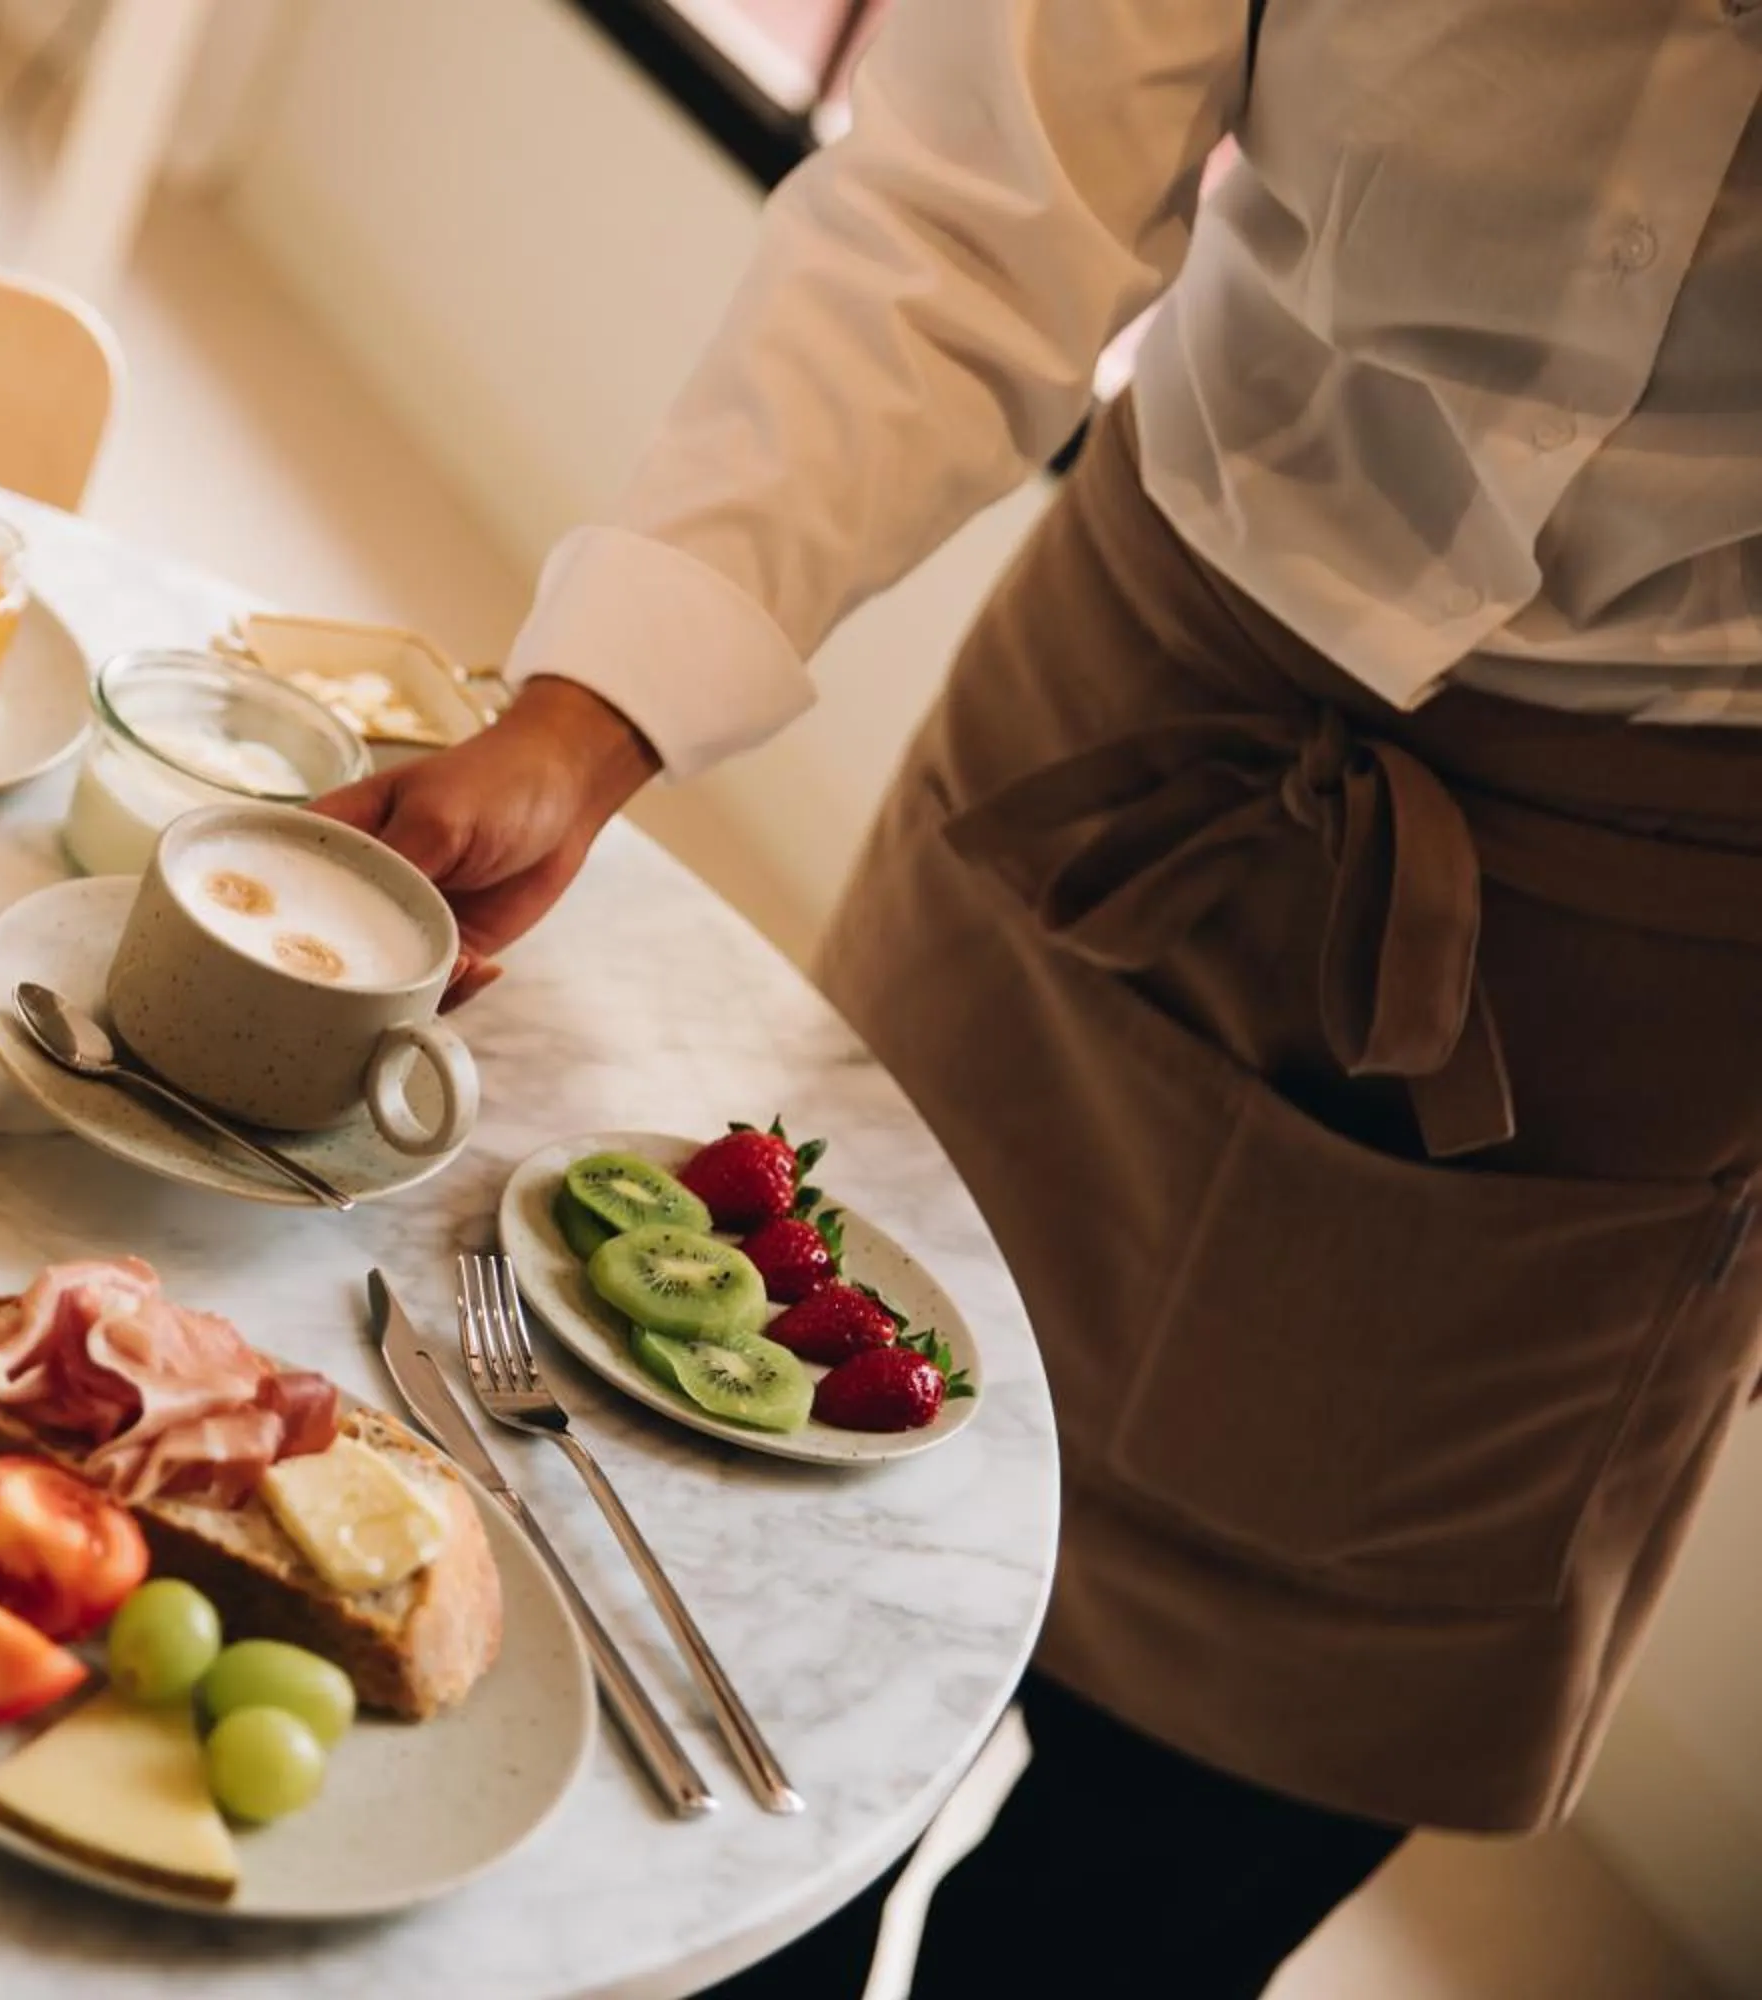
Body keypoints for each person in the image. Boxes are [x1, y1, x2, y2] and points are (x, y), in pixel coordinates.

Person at [317, 3, 1762, 1993]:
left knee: (1141, 1912)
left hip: (1643, 969)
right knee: (745, 1688)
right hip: (1133, 729)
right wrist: (593, 711)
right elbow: (967, 212)